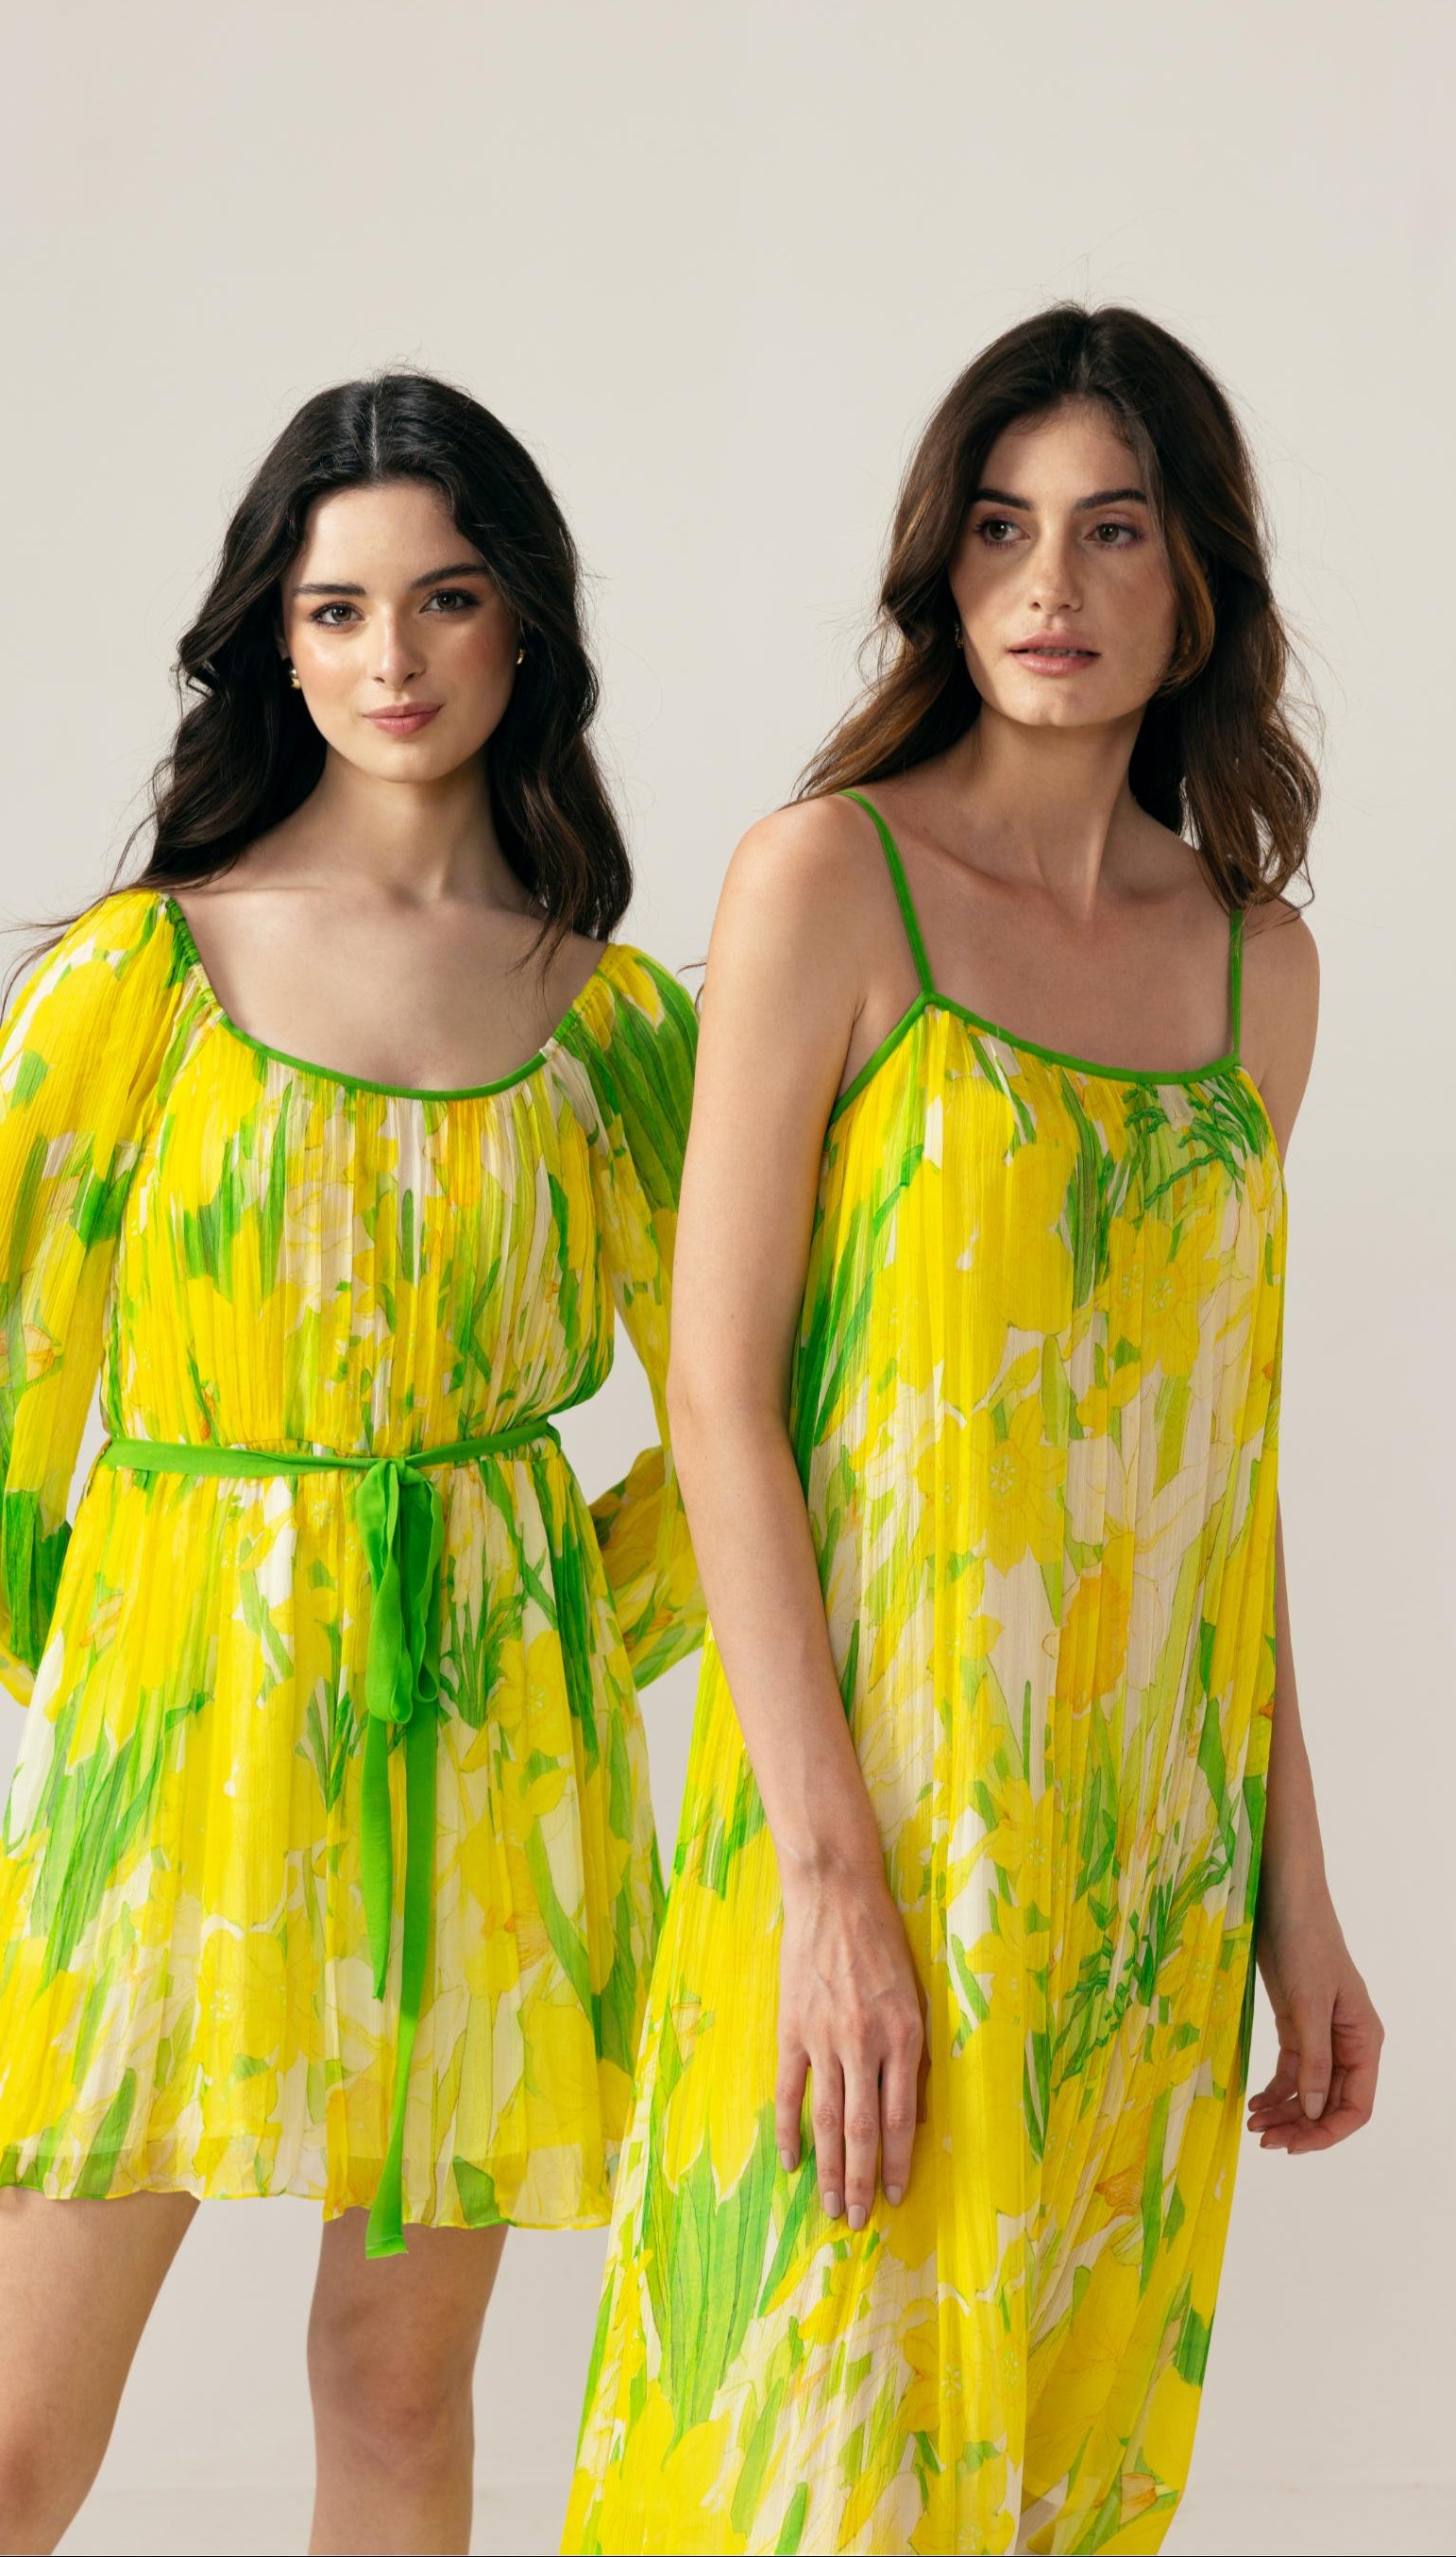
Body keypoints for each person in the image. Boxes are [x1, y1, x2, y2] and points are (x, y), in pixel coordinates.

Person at [0, 370, 702, 2557]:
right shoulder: (146, 974)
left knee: (396, 2401)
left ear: (526, 626)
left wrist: (552, 1646)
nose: (393, 656)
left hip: (481, 1790)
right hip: (170, 1767)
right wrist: (120, 1667)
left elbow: (753, 1429)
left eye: (446, 597)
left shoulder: (613, 1024)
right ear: (274, 643)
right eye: (336, 607)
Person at [567, 305, 1382, 2556]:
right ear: (943, 565)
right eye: (1004, 527)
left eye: (1113, 530)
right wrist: (830, 1886)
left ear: (1196, 579)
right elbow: (718, 1395)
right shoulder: (829, 880)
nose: (1049, 583)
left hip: (1144, 1873)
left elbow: (1217, 1472)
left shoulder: (1261, 971)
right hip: (879, 1829)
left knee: (1056, 2496)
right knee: (794, 2471)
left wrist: (1298, 1904)